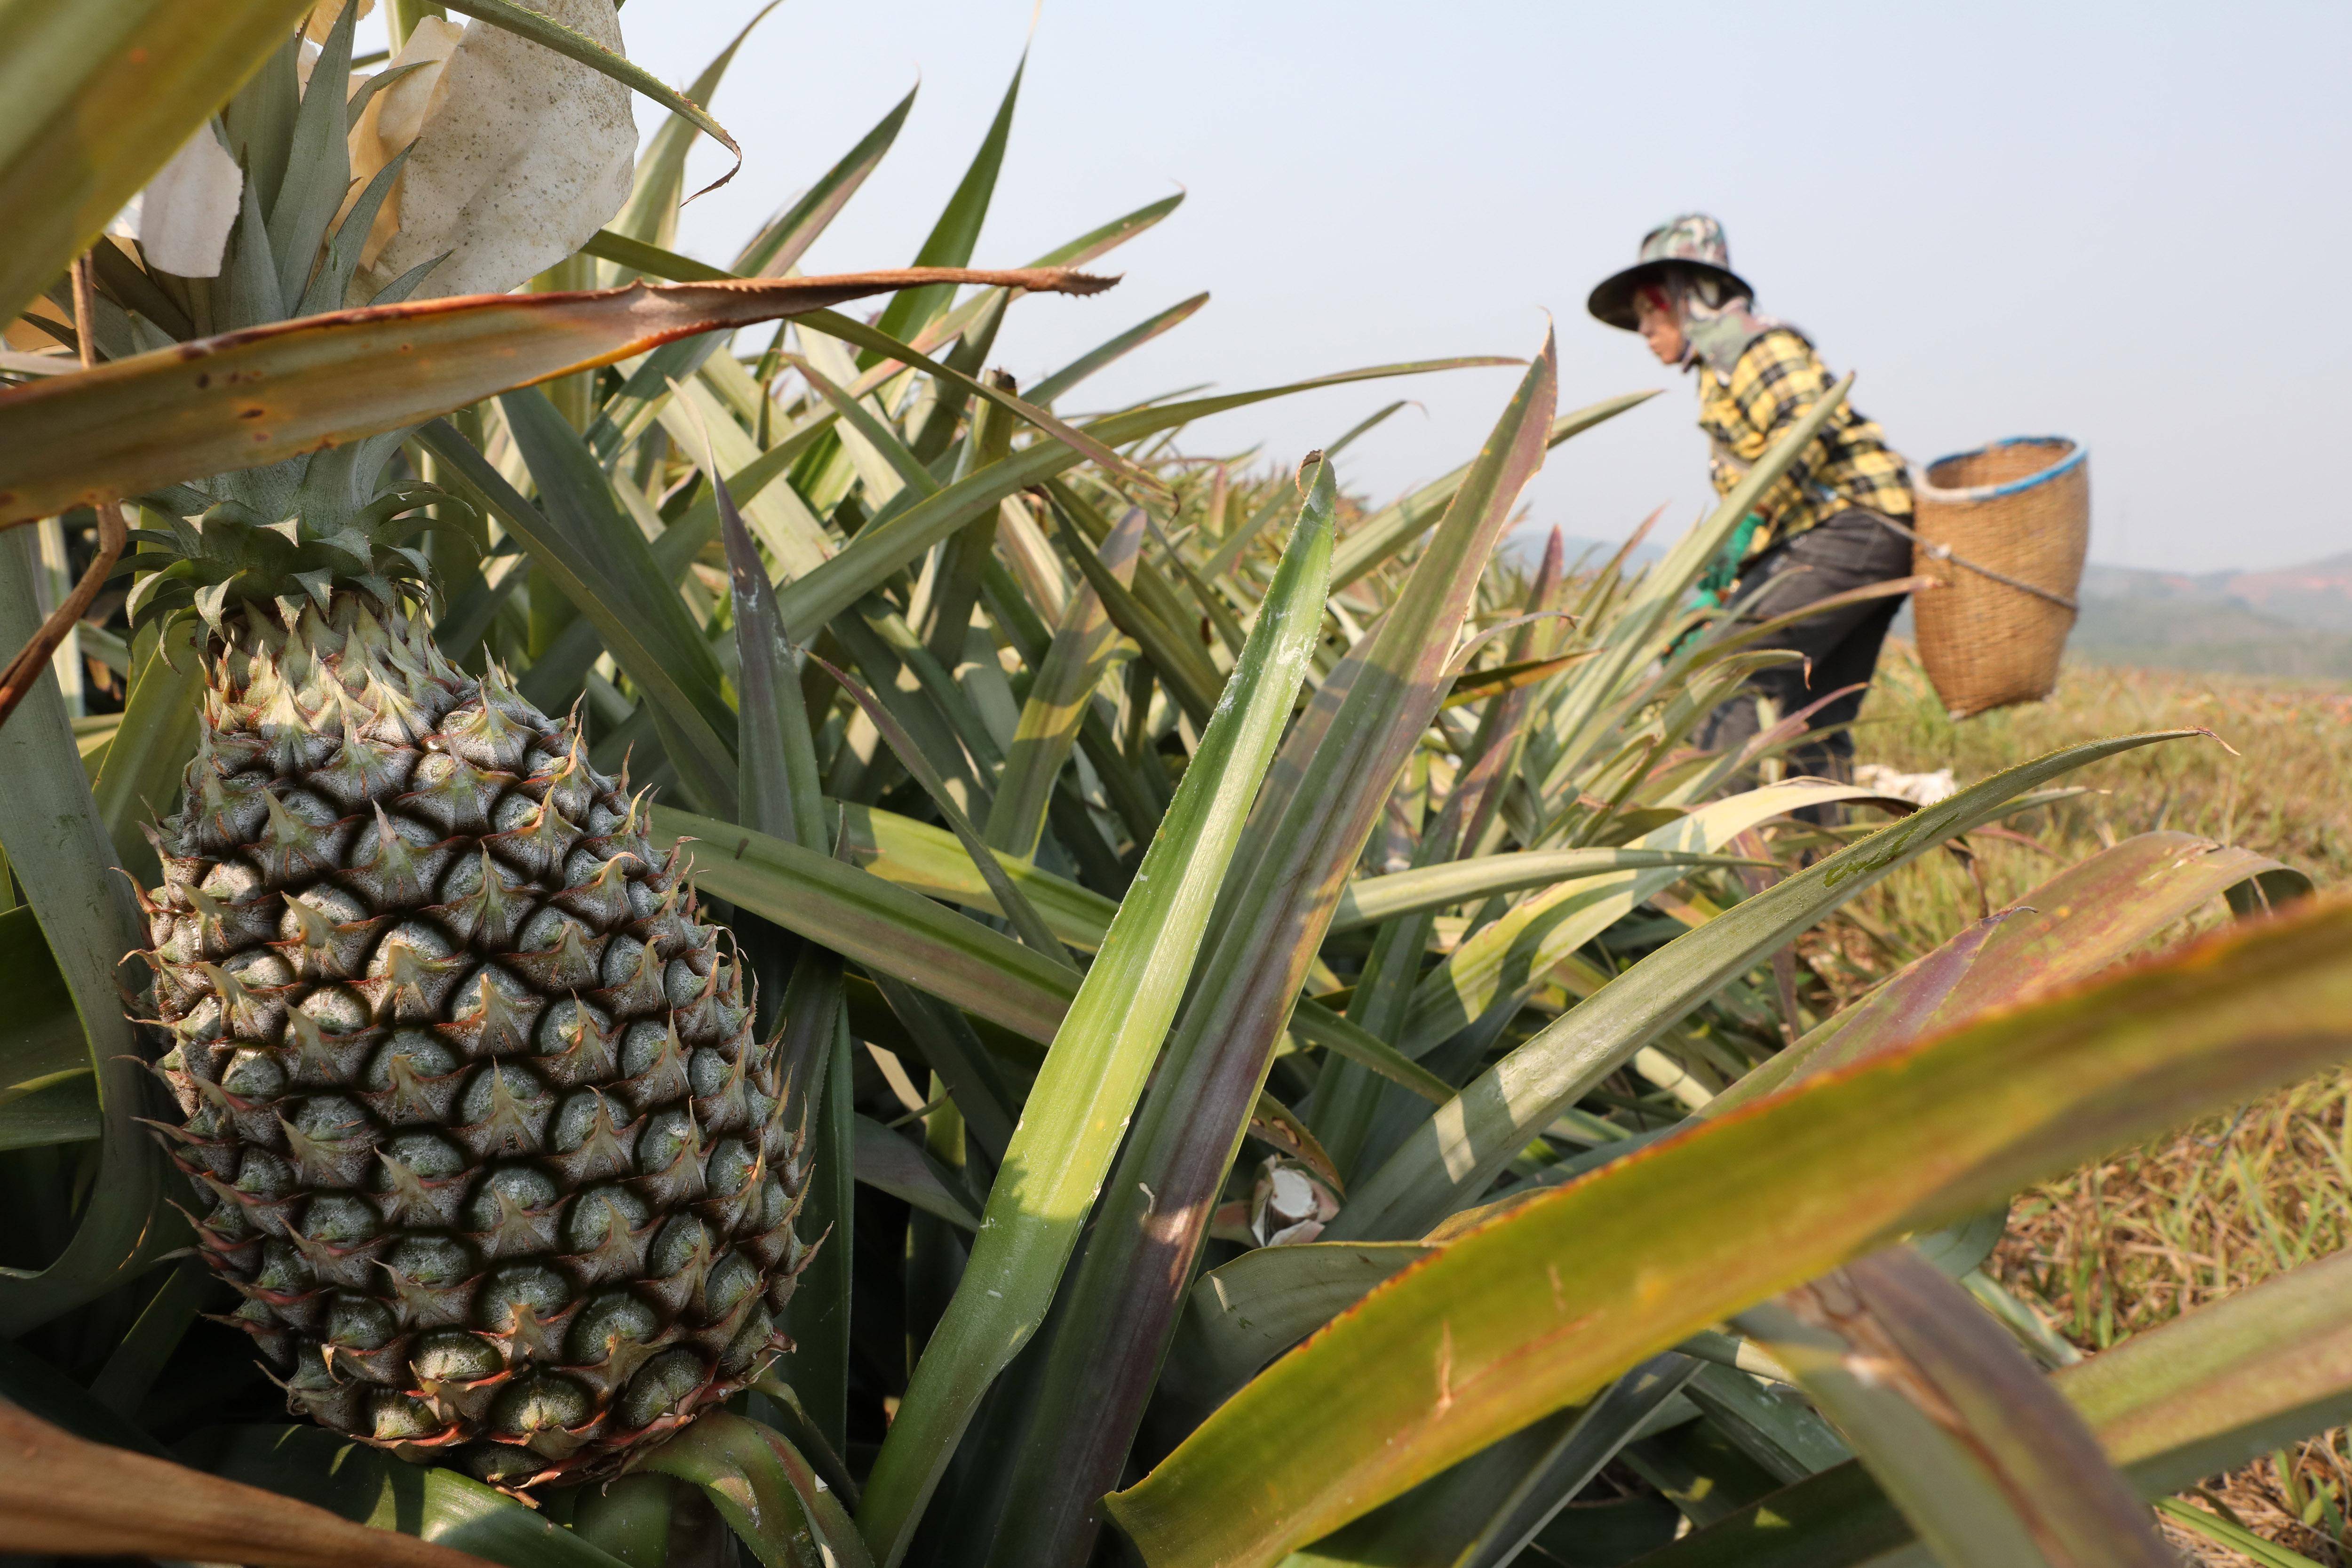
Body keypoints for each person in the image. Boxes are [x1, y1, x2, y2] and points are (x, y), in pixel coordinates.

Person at [1588, 213, 1915, 784]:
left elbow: (1804, 428)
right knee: (1815, 711)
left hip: (1849, 529)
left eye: (1648, 307)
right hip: (1863, 535)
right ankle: (1829, 867)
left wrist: (1744, 522)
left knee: (1723, 670)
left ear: (1685, 297)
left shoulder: (1754, 348)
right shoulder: (1720, 365)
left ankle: (1723, 856)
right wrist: (1727, 570)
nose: (1642, 328)